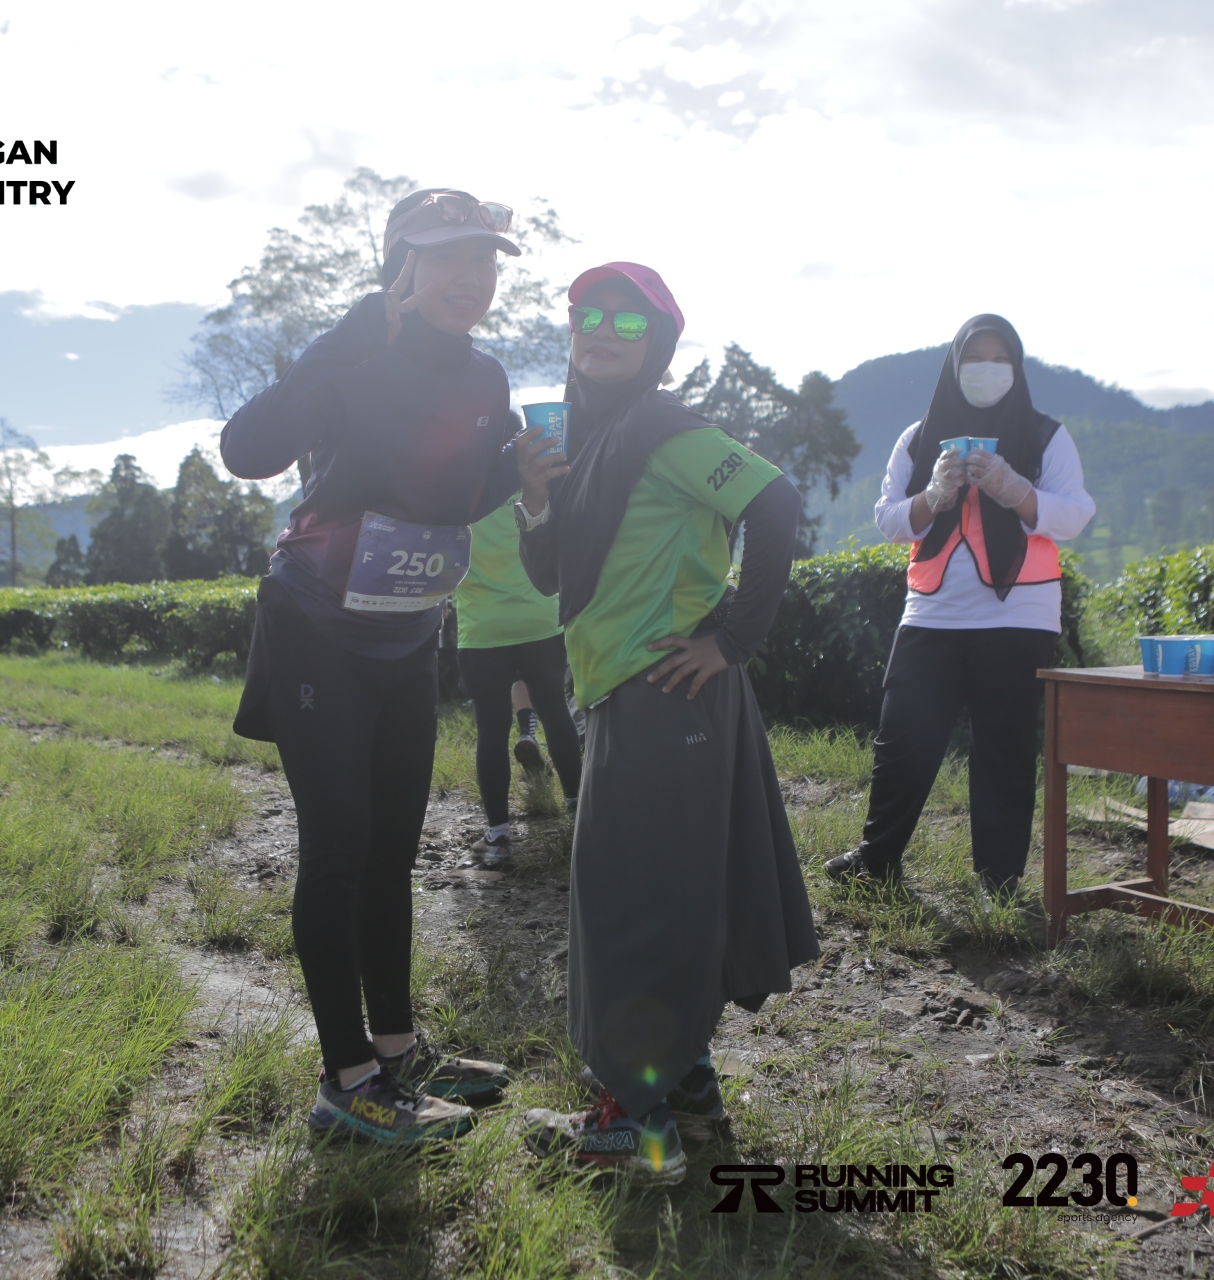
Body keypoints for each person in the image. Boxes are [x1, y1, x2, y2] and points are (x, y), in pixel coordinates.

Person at [220, 188, 524, 1145]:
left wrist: (522, 472)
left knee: (394, 847)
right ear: (402, 264)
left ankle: (397, 1048)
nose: (471, 276)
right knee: (340, 845)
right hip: (317, 628)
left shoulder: (487, 379)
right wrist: (349, 335)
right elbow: (247, 450)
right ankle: (346, 1080)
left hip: (406, 631)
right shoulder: (356, 355)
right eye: (449, 257)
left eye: (484, 260)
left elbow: (453, 497)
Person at [512, 262, 819, 1183]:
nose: (601, 332)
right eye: (587, 315)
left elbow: (774, 501)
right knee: (667, 901)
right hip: (633, 694)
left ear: (658, 346)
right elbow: (553, 579)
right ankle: (690, 1100)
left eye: (627, 321)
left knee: (630, 914)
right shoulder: (593, 442)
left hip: (666, 693)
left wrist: (733, 637)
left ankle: (632, 1135)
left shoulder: (663, 429)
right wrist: (536, 498)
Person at [825, 315, 1095, 894]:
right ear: (954, 365)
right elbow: (889, 519)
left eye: (1001, 359)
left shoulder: (1046, 435)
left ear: (1016, 368)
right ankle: (877, 860)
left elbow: (1074, 515)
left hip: (1019, 613)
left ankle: (998, 883)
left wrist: (1015, 490)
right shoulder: (919, 437)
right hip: (932, 611)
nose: (987, 370)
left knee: (1004, 749)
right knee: (902, 738)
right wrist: (933, 494)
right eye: (976, 358)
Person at [454, 490, 584, 866]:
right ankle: (580, 819)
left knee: (491, 732)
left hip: (482, 625)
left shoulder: (464, 486)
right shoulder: (533, 483)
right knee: (556, 714)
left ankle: (498, 839)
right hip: (540, 617)